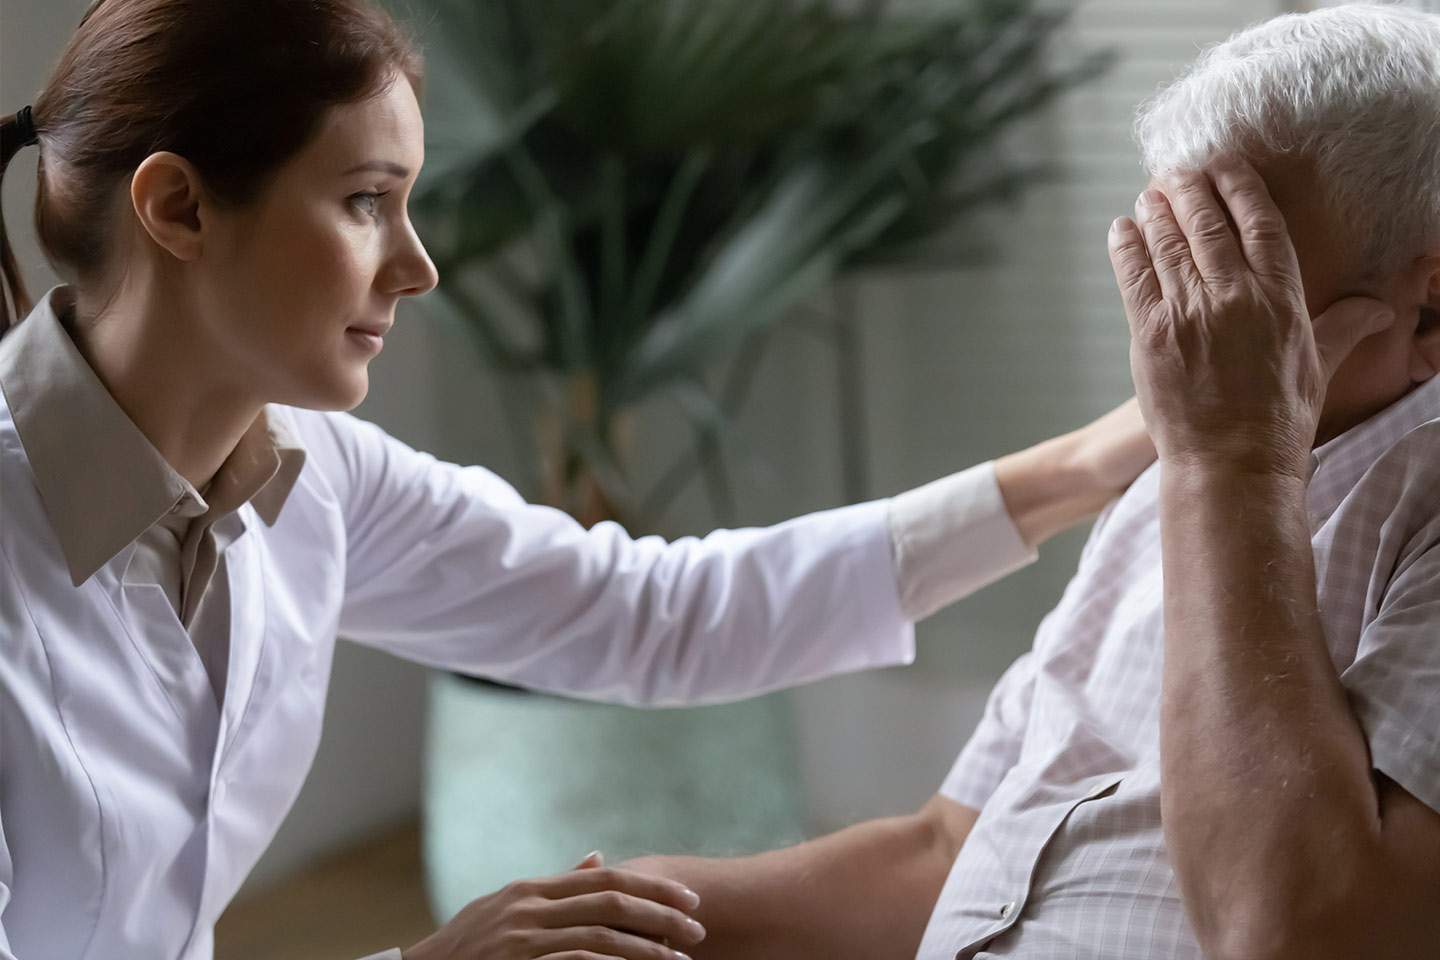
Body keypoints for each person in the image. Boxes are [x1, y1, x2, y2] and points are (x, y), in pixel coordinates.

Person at [0, 2, 1157, 959]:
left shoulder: (317, 474)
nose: (418, 266)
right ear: (179, 208)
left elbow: (646, 614)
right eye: (364, 200)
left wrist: (1086, 466)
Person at [617, 5, 1440, 959]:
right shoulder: (1169, 485)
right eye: (1162, 252)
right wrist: (620, 905)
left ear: (1427, 308)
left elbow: (1296, 934)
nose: (1172, 328)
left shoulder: (1271, 477)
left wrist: (1232, 465)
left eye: (1224, 271)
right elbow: (948, 851)